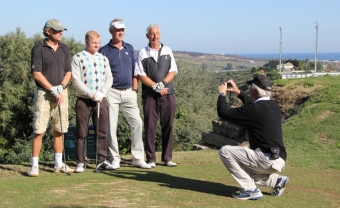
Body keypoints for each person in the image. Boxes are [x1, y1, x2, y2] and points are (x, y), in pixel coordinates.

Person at [217, 75, 289, 200]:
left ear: (255, 90)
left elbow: (223, 112)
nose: (248, 89)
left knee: (225, 151)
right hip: (279, 159)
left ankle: (251, 190)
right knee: (242, 169)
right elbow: (254, 105)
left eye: (250, 87)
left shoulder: (255, 109)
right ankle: (277, 181)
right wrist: (238, 92)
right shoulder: (273, 106)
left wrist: (222, 95)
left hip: (265, 159)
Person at [99, 18, 151, 169]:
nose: (121, 32)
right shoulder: (104, 51)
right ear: (111, 31)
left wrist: (135, 90)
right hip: (111, 92)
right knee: (111, 128)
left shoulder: (129, 47)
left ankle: (138, 158)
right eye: (117, 29)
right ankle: (115, 159)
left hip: (129, 91)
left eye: (122, 30)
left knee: (137, 123)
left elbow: (135, 72)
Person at [29, 19, 74, 176]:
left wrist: (61, 87)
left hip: (62, 93)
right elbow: (37, 73)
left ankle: (58, 164)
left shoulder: (65, 49)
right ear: (48, 31)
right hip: (44, 94)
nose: (61, 33)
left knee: (59, 129)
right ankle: (34, 166)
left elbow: (68, 71)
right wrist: (52, 89)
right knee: (39, 130)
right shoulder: (39, 48)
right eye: (57, 30)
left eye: (62, 30)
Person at [135, 24, 178, 167]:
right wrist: (155, 87)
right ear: (147, 36)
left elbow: (172, 71)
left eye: (157, 33)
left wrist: (162, 85)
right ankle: (151, 159)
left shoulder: (167, 50)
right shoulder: (142, 53)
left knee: (168, 125)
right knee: (150, 127)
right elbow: (140, 74)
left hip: (168, 93)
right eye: (152, 34)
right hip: (149, 96)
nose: (155, 36)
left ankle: (167, 158)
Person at [71, 30, 115, 172]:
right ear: (87, 42)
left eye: (98, 43)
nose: (96, 45)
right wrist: (90, 93)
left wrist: (102, 92)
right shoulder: (78, 58)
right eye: (93, 42)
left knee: (102, 131)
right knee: (81, 132)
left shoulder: (103, 58)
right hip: (84, 100)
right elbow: (76, 80)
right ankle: (80, 162)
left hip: (101, 99)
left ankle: (101, 160)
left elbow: (109, 78)